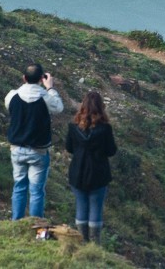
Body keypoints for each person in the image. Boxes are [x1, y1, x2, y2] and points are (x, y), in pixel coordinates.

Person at [5, 63, 64, 220]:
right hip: (38, 151)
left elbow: (10, 107)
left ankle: (16, 223)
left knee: (19, 187)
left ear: (24, 78)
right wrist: (50, 87)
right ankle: (36, 225)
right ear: (41, 79)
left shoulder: (12, 95)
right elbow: (59, 108)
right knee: (36, 190)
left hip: (17, 148)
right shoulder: (46, 97)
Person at [66, 91, 117, 244]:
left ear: (83, 106)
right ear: (101, 107)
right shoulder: (105, 129)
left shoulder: (73, 127)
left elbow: (69, 148)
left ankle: (82, 240)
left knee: (81, 205)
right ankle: (95, 243)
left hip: (78, 172)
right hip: (98, 173)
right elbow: (111, 151)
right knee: (96, 207)